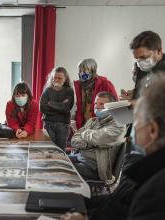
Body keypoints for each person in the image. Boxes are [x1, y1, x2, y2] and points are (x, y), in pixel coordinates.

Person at [61, 74, 165, 220]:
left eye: (137, 119)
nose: (133, 126)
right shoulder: (139, 165)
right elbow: (114, 203)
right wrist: (76, 205)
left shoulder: (155, 190)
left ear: (152, 130)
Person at [69, 92, 126, 180]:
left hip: (95, 168)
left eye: (101, 104)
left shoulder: (119, 124)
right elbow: (74, 139)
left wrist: (85, 133)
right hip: (80, 157)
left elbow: (100, 138)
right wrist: (91, 144)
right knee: (58, 161)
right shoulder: (93, 121)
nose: (96, 106)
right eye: (96, 103)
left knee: (62, 169)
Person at [74, 58, 118, 129]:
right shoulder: (78, 85)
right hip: (84, 124)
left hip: (101, 124)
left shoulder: (105, 84)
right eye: (80, 70)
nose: (81, 73)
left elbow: (115, 105)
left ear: (92, 71)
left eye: (84, 70)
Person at [121, 30, 165, 100]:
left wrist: (140, 103)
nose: (140, 62)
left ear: (159, 51)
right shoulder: (139, 68)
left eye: (143, 57)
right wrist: (134, 95)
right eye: (137, 58)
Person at [40, 67, 74, 150]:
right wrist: (60, 107)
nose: (57, 80)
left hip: (63, 125)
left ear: (65, 79)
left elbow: (66, 108)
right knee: (48, 150)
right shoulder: (47, 90)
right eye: (55, 77)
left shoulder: (69, 90)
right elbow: (42, 108)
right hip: (48, 124)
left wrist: (50, 103)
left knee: (61, 151)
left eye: (60, 78)